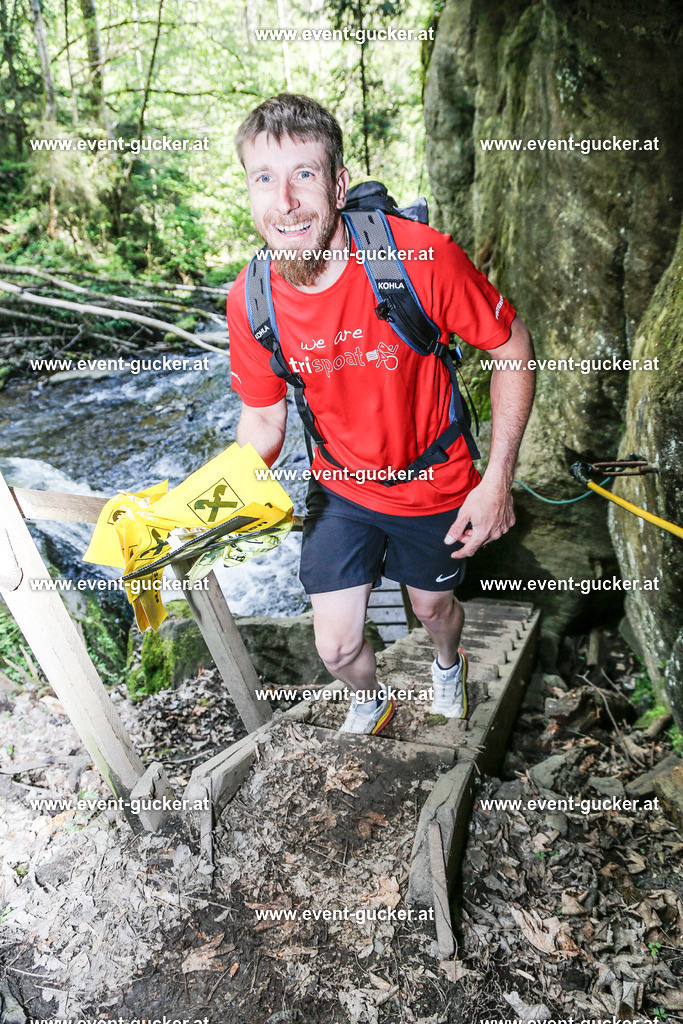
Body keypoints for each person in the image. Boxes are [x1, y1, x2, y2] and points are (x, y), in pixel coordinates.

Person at [227, 93, 536, 735]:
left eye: (303, 175)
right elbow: (261, 426)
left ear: (338, 185)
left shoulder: (417, 259)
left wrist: (497, 478)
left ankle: (448, 666)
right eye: (265, 178)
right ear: (250, 191)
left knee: (433, 609)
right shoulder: (251, 300)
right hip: (341, 485)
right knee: (336, 647)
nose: (284, 201)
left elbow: (511, 345)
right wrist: (201, 505)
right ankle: (371, 699)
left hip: (434, 482)